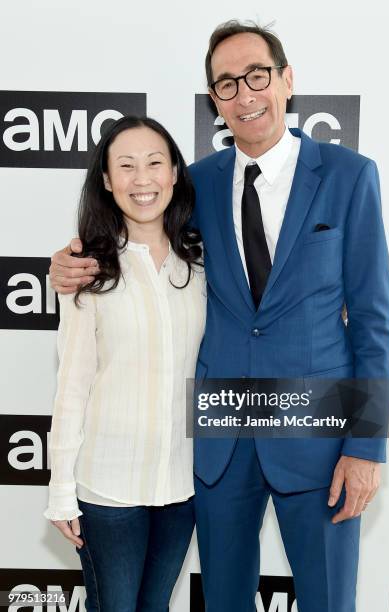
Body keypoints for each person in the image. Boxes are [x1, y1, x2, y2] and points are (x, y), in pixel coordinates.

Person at [49, 20, 389, 612]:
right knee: (224, 599)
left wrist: (366, 446)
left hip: (317, 436)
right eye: (227, 84)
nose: (245, 94)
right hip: (220, 441)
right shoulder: (199, 185)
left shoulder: (348, 176)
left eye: (256, 75)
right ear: (215, 100)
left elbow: (373, 321)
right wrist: (68, 262)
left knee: (328, 600)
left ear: (287, 80)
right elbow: (136, 234)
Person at [45, 115, 206, 612]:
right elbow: (72, 386)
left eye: (155, 163)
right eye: (127, 166)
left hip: (182, 484)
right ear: (108, 181)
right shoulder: (89, 269)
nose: (143, 179)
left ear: (175, 172)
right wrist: (61, 490)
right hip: (108, 487)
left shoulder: (200, 261)